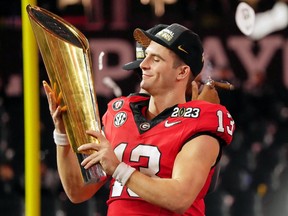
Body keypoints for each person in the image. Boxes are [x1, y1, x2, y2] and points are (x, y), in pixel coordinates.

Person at [43, 23, 235, 215]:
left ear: (182, 72)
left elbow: (180, 197)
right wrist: (62, 133)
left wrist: (119, 169)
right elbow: (78, 191)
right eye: (147, 56)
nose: (143, 64)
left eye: (156, 59)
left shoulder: (199, 120)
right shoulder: (120, 114)